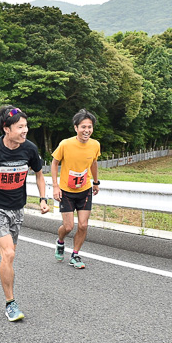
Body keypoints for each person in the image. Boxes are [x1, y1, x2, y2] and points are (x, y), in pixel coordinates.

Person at [0, 106, 50, 322]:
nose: (25, 130)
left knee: (8, 251)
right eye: (20, 127)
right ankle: (10, 303)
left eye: (26, 126)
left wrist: (43, 199)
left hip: (17, 207)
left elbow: (39, 175)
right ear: (6, 128)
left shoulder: (30, 149)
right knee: (9, 255)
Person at [51, 109, 101, 269]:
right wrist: (55, 186)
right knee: (68, 227)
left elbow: (93, 163)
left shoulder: (95, 145)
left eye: (90, 127)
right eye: (83, 127)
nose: (87, 130)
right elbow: (54, 162)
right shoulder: (66, 144)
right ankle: (60, 242)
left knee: (83, 225)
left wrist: (96, 182)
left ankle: (75, 255)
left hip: (84, 190)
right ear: (76, 128)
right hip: (66, 191)